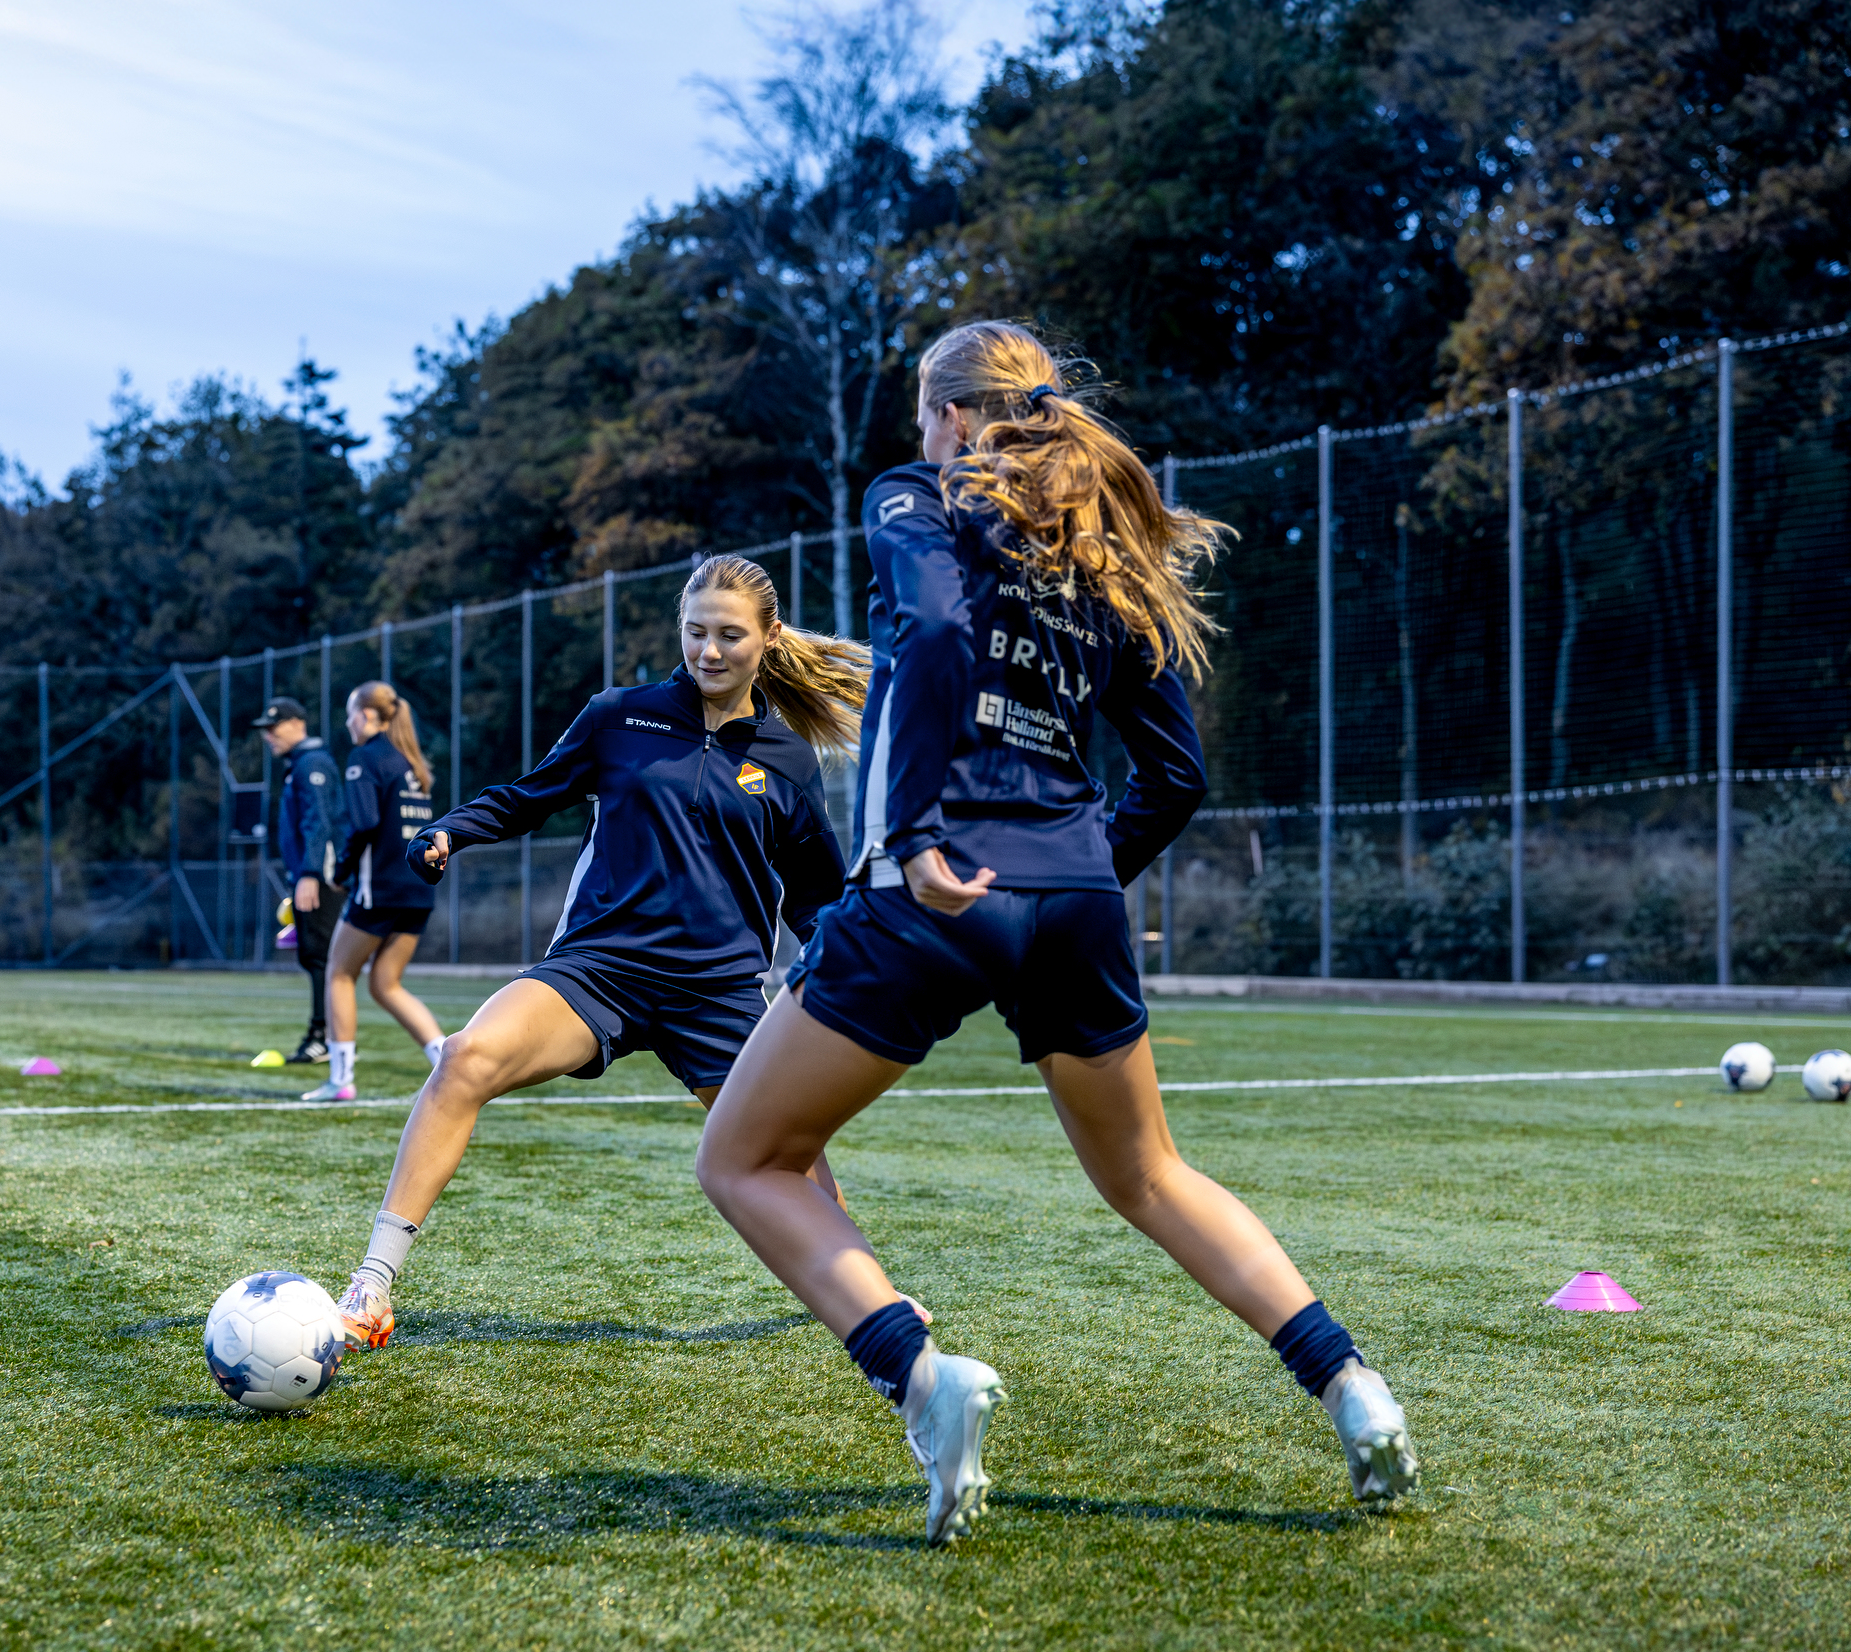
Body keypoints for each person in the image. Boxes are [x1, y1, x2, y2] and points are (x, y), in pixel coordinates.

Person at [693, 321, 1420, 1547]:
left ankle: (921, 1376)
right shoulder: (1099, 549)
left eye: (927, 418)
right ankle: (1350, 1383)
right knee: (1150, 1175)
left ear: (956, 419)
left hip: (932, 895)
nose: (921, 441)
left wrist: (920, 832)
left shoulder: (918, 494)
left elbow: (924, 635)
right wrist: (1078, 876)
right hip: (1075, 897)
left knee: (743, 1157)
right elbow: (1175, 774)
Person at [332, 554, 868, 1350]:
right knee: (465, 1059)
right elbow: (529, 795)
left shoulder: (788, 760)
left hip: (717, 993)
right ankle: (371, 1282)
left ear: (768, 637)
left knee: (789, 1162)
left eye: (729, 635)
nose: (709, 651)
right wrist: (450, 830)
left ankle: (871, 1304)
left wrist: (850, 970)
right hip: (598, 969)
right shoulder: (620, 716)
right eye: (694, 633)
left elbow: (817, 893)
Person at [299, 681, 446, 1104]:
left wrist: (340, 872)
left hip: (379, 889)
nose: (347, 723)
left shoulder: (365, 758)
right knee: (385, 984)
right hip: (419, 891)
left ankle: (340, 1080)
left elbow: (362, 824)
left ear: (366, 715)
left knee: (339, 973)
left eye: (350, 714)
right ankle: (449, 1062)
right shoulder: (412, 762)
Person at [252, 698, 345, 1068]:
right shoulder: (300, 765)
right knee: (317, 957)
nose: (267, 736)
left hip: (320, 877)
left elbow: (318, 821)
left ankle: (323, 1037)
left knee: (323, 958)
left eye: (273, 727)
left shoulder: (313, 764)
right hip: (312, 875)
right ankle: (326, 1037)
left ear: (296, 723)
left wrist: (309, 874)